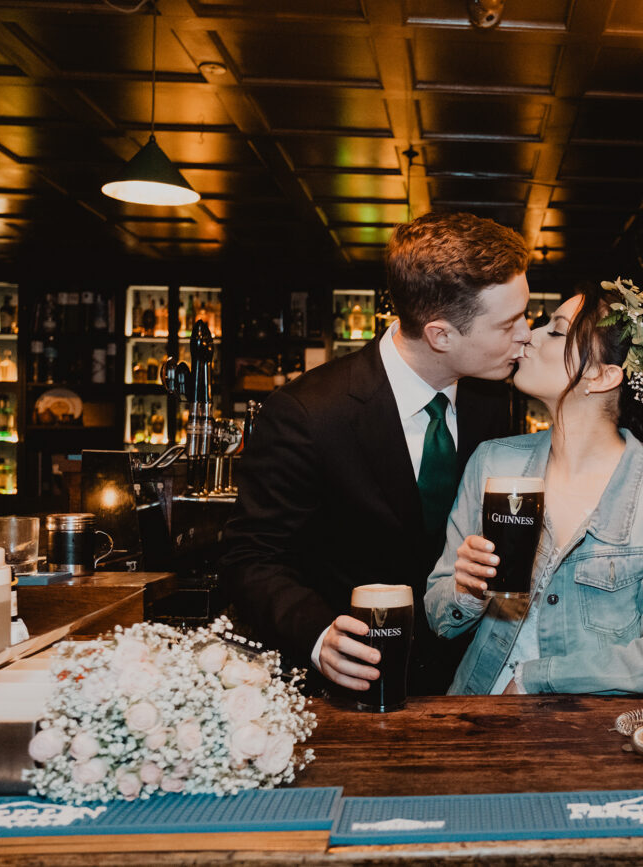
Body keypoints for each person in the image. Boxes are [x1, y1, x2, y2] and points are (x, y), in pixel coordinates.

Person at [220, 211, 531, 696]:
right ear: (441, 335)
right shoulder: (308, 413)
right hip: (351, 684)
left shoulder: (492, 399)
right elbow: (252, 556)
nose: (526, 334)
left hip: (463, 684)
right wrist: (320, 635)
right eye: (510, 322)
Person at [423, 278, 643, 695]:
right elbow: (438, 616)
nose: (528, 335)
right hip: (478, 716)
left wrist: (535, 679)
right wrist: (466, 589)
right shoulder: (492, 463)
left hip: (593, 739)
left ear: (601, 375)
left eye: (555, 330)